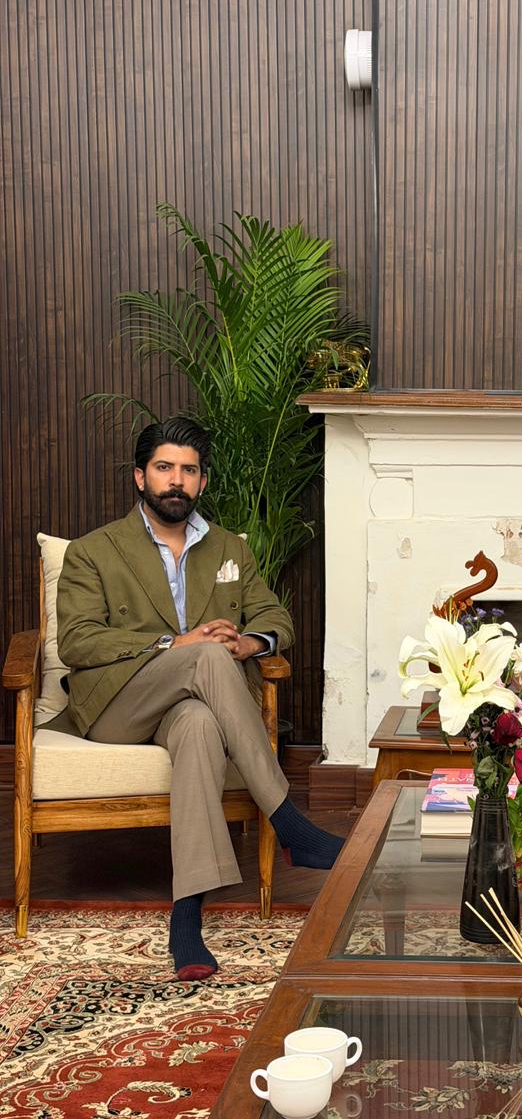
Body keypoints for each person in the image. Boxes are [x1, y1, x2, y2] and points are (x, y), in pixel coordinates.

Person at [55, 417, 345, 981]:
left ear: (202, 482)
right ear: (140, 477)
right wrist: (176, 643)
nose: (176, 480)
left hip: (189, 704)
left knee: (197, 724)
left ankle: (186, 918)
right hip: (119, 704)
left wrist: (249, 642)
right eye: (164, 467)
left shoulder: (230, 547)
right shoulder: (94, 551)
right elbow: (78, 641)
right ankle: (289, 822)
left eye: (188, 470)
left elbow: (275, 617)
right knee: (207, 657)